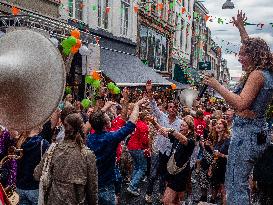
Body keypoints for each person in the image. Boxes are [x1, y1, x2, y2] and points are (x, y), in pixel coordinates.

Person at [203, 11, 273, 205]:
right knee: (239, 182)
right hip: (255, 132)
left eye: (243, 54)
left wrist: (216, 85)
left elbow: (241, 103)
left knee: (235, 185)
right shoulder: (264, 71)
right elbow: (252, 47)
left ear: (253, 56)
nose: (239, 57)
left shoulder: (257, 75)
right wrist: (242, 29)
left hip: (246, 136)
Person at [87, 98, 148, 205]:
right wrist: (137, 105)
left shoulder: (88, 138)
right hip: (105, 187)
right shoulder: (110, 138)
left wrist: (105, 108)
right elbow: (131, 124)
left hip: (91, 184)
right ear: (106, 124)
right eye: (108, 119)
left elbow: (92, 121)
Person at [34, 113, 98, 205]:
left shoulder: (53, 150)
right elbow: (92, 189)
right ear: (81, 128)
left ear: (64, 128)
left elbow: (37, 174)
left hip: (53, 201)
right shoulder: (88, 155)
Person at [145, 81, 182, 203]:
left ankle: (162, 195)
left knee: (164, 175)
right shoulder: (162, 116)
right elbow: (153, 105)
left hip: (169, 152)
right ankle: (149, 194)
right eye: (170, 107)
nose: (172, 109)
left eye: (174, 107)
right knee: (153, 173)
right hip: (158, 149)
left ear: (177, 109)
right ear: (167, 108)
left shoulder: (180, 123)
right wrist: (149, 91)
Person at [148, 116, 195, 205]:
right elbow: (163, 131)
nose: (181, 127)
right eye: (181, 125)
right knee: (175, 201)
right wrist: (154, 122)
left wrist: (171, 130)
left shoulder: (191, 140)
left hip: (180, 174)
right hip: (172, 171)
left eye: (184, 126)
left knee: (166, 201)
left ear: (189, 129)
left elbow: (183, 139)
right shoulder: (177, 137)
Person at [16, 128, 50, 205]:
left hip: (20, 187)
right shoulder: (43, 144)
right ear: (38, 126)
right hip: (35, 187)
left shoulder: (19, 142)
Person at [127, 111, 150, 196]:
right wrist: (148, 147)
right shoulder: (144, 126)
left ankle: (133, 184)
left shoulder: (137, 123)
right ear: (146, 117)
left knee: (137, 167)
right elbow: (144, 141)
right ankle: (132, 186)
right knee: (143, 168)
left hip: (131, 147)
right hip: (138, 148)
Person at [209, 119, 230, 205]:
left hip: (225, 167)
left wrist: (221, 155)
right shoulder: (217, 138)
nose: (218, 125)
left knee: (223, 190)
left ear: (224, 127)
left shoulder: (228, 140)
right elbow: (215, 155)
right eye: (217, 123)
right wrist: (211, 167)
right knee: (215, 186)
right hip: (217, 166)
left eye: (220, 123)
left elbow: (232, 157)